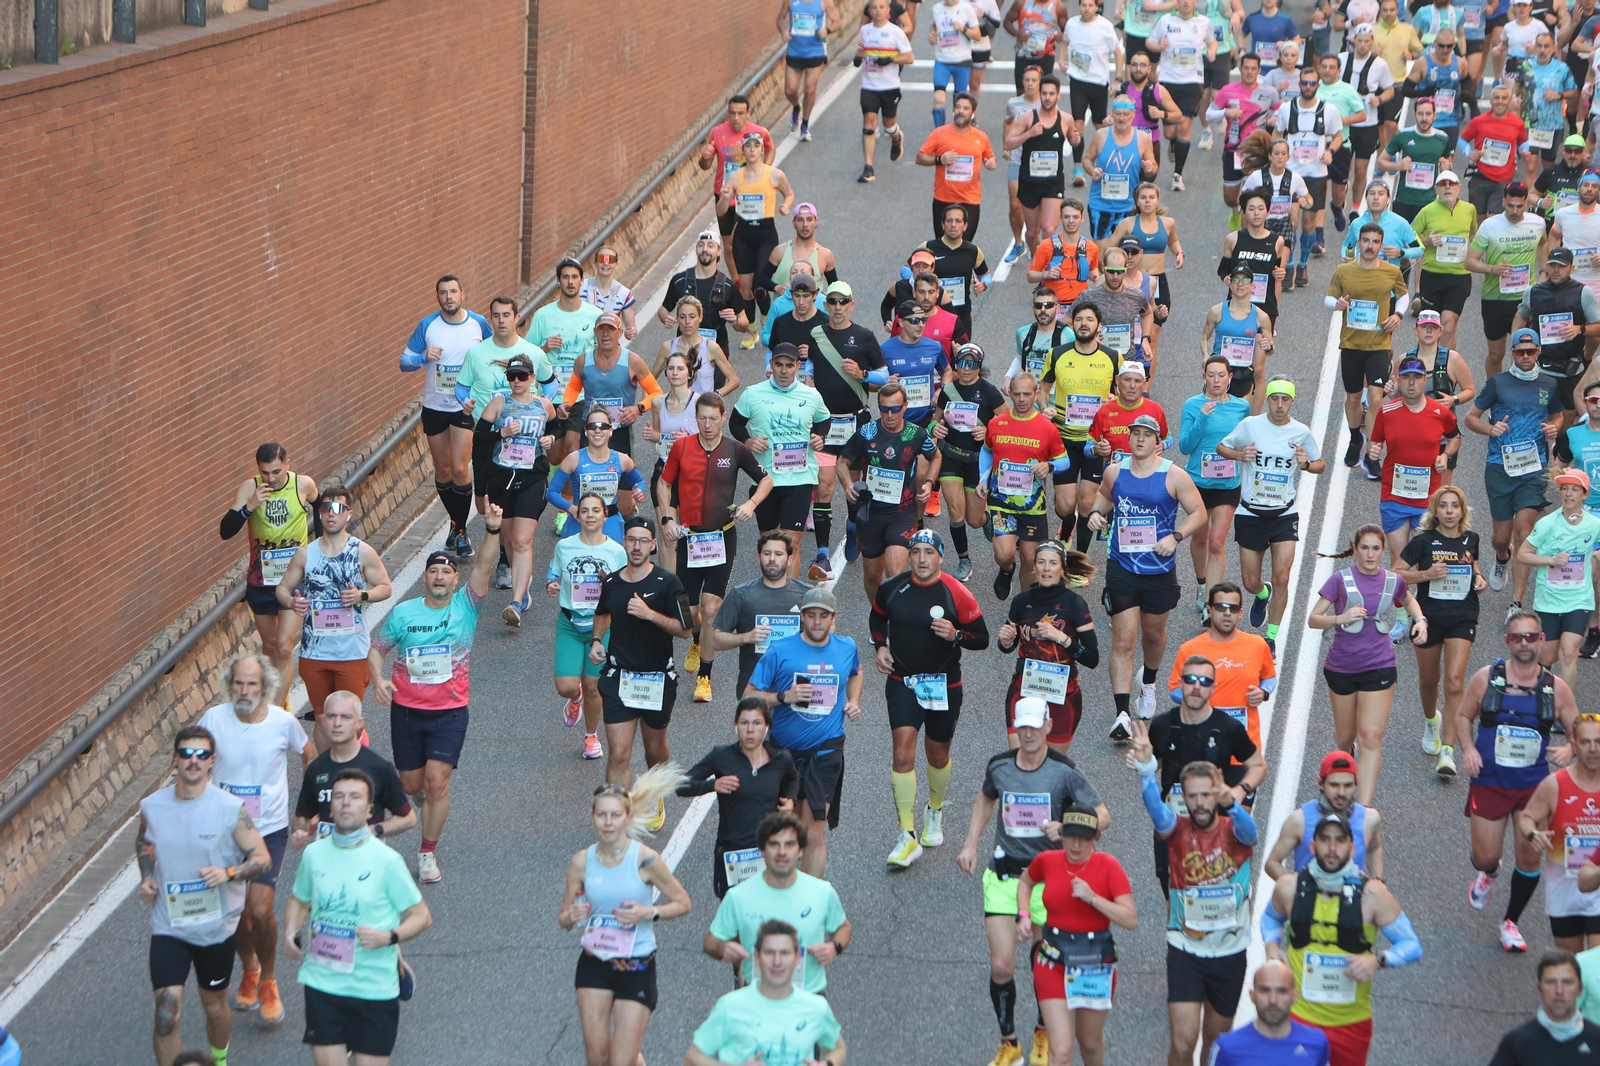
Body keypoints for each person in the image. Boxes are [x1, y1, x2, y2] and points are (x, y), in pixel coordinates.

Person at [956, 698, 1109, 1066]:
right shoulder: (1000, 765)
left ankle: (1043, 1032)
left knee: (1045, 964)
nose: (1028, 734)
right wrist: (970, 844)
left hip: (1048, 880)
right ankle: (1009, 1043)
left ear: (1047, 725)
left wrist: (1068, 826)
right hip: (1004, 875)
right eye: (1022, 726)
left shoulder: (1064, 771)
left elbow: (1102, 815)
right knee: (1001, 965)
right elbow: (985, 800)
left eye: (1034, 726)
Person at [368, 506, 502, 884]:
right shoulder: (403, 613)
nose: (439, 576)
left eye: (446, 572)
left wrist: (493, 530)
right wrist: (378, 679)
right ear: (424, 578)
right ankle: (425, 802)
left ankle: (427, 852)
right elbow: (376, 649)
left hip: (450, 712)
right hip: (407, 711)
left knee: (437, 783)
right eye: (433, 571)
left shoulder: (466, 605)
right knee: (414, 786)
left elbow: (484, 566)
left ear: (456, 579)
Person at [1127, 719, 1259, 1066]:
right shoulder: (1176, 828)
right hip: (1185, 949)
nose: (1200, 803)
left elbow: (1251, 832)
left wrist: (1232, 803)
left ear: (1216, 795)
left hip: (1230, 950)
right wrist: (1146, 770)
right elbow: (1155, 808)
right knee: (1183, 1040)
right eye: (1193, 796)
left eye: (1206, 795)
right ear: (1183, 798)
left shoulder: (1235, 829)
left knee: (1214, 1044)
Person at [280, 767, 432, 1066]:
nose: (346, 803)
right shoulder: (314, 854)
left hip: (373, 987)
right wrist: (290, 931)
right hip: (323, 981)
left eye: (355, 797)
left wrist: (389, 937)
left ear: (370, 809)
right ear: (331, 807)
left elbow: (422, 916)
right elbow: (299, 899)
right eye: (339, 797)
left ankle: (398, 964)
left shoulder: (387, 860)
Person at [139, 726, 270, 1066]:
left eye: (202, 754)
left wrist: (228, 873)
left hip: (216, 928)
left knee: (214, 1006)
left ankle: (219, 1059)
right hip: (169, 926)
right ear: (175, 759)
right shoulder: (153, 806)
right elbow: (144, 841)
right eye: (186, 753)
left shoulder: (231, 809)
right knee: (166, 1013)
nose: (193, 760)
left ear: (212, 761)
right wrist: (148, 876)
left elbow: (262, 858)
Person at [196, 654, 313, 1027]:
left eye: (252, 684)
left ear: (266, 688)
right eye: (238, 683)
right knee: (236, 913)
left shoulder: (282, 722)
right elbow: (193, 761)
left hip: (269, 829)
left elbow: (309, 755)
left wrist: (306, 808)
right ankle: (249, 967)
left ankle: (268, 981)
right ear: (229, 685)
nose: (244, 691)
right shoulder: (213, 719)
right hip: (225, 830)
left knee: (259, 909)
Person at [1457, 610, 1580, 952]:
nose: (1524, 643)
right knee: (1485, 856)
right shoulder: (1486, 678)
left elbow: (1580, 731)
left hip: (1534, 789)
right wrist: (1467, 749)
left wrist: (1569, 749)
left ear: (1542, 640)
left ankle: (1510, 922)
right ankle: (1489, 872)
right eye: (1516, 637)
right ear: (1506, 641)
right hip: (1489, 780)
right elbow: (1463, 716)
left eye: (1530, 637)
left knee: (1529, 859)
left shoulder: (1557, 689)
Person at [1260, 811, 1425, 1066]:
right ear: (1313, 846)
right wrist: (1272, 946)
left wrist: (1378, 960)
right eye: (1325, 839)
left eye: (1340, 840)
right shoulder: (1289, 887)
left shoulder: (1373, 894)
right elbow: (1271, 918)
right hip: (1297, 1018)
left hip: (1351, 1023)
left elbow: (1412, 945)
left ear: (1352, 848)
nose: (1332, 848)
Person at [556, 768, 692, 1066]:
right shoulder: (581, 862)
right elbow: (564, 919)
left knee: (622, 1061)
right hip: (594, 962)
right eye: (602, 815)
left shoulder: (645, 859)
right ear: (592, 817)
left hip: (636, 963)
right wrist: (572, 915)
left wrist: (648, 912)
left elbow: (682, 903)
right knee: (597, 1057)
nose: (608, 822)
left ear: (627, 818)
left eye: (615, 815)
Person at [872, 529, 989, 866]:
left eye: (929, 552)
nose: (922, 559)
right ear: (909, 556)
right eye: (916, 552)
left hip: (944, 685)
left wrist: (957, 634)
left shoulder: (956, 592)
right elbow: (877, 616)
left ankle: (934, 810)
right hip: (903, 681)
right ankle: (907, 835)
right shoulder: (892, 588)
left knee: (937, 756)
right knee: (902, 754)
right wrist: (880, 646)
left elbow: (981, 637)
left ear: (940, 557)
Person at [1087, 414, 1208, 740]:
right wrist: (1096, 512)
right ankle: (1122, 715)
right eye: (1135, 434)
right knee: (1123, 640)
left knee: (1154, 635)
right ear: (1129, 438)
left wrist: (1176, 537)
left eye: (1147, 435)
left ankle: (1149, 681)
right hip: (1122, 566)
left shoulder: (1174, 475)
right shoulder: (1115, 471)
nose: (1140, 439)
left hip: (1159, 568)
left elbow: (1199, 512)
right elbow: (1104, 495)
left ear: (1158, 442)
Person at [659, 392, 772, 703]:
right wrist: (667, 518)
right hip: (690, 540)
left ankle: (704, 677)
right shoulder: (682, 447)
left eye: (713, 418)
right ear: (695, 418)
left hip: (722, 539)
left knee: (711, 609)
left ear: (723, 418)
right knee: (689, 614)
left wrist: (751, 504)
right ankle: (697, 638)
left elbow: (766, 480)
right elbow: (664, 483)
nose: (707, 424)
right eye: (702, 418)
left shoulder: (736, 450)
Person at [775, 282, 890, 580]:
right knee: (824, 488)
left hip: (854, 422)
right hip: (825, 424)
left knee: (852, 488)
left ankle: (852, 528)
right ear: (826, 305)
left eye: (843, 302)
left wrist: (862, 374)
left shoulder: (865, 336)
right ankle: (823, 553)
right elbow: (810, 363)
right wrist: (808, 377)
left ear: (852, 304)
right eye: (833, 302)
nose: (838, 307)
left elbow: (885, 375)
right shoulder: (816, 334)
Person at [746, 587, 864, 876]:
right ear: (802, 617)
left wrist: (853, 701)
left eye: (823, 616)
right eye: (811, 615)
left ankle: (810, 899)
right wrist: (784, 696)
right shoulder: (780, 651)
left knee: (812, 835)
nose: (817, 622)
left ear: (833, 617)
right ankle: (781, 889)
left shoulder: (847, 647)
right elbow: (748, 696)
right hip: (783, 753)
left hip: (825, 750)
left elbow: (856, 672)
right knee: (786, 831)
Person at [1308, 525, 1427, 805]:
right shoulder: (1340, 580)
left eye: (1376, 548)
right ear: (1355, 548)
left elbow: (1409, 601)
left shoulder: (1393, 581)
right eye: (1365, 548)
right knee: (1345, 737)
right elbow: (1314, 619)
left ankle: (1362, 807)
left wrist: (1421, 621)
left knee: (1371, 737)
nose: (1370, 554)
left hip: (1379, 666)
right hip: (1341, 668)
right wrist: (1340, 618)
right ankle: (1345, 773)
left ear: (1384, 551)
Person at [1015, 803, 1136, 1066]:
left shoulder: (1108, 866)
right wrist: (1023, 914)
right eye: (1070, 836)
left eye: (1084, 838)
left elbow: (1130, 919)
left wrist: (1093, 898)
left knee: (1090, 1044)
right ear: (1062, 834)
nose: (1076, 844)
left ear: (1096, 837)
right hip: (1052, 962)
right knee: (1060, 1052)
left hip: (1095, 965)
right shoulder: (1047, 860)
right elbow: (1026, 881)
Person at [276, 485, 392, 749]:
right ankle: (326, 769)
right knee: (322, 719)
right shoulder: (306, 554)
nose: (331, 513)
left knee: (348, 719)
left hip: (352, 652)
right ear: (320, 513)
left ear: (348, 514)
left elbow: (385, 587)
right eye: (326, 508)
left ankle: (353, 767)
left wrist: (362, 595)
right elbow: (282, 588)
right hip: (315, 652)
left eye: (338, 508)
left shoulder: (362, 551)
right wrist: (291, 602)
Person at [1215, 379, 1323, 654]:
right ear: (1268, 401)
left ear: (1292, 402)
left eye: (1285, 400)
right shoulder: (1251, 425)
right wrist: (1240, 455)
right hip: (1250, 512)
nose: (1279, 405)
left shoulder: (1300, 432)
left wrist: (1306, 464)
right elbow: (1221, 447)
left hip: (1284, 514)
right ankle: (1263, 593)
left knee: (1282, 577)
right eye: (1274, 399)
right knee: (1250, 582)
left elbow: (1320, 464)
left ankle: (1271, 638)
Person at [1463, 329, 1567, 606]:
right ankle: (1502, 556)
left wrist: (1553, 428)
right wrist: (1490, 429)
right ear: (1512, 354)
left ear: (1538, 352)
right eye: (1520, 351)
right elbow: (1470, 418)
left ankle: (1516, 603)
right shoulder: (1497, 383)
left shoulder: (1549, 384)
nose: (1525, 356)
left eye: (1530, 351)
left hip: (1534, 468)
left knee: (1524, 531)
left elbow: (1557, 416)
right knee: (1500, 538)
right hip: (1500, 466)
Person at [456, 294, 552, 584]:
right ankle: (505, 550)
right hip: (488, 439)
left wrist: (542, 409)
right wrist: (466, 403)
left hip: (526, 447)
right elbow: (461, 387)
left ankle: (506, 562)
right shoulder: (476, 353)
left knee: (515, 515)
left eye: (506, 315)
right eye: (496, 315)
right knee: (485, 508)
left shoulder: (532, 352)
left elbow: (550, 384)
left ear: (516, 318)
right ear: (490, 319)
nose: (501, 320)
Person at [1392, 484, 1485, 777]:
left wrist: (1479, 578)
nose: (1449, 511)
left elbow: (1472, 563)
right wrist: (1426, 574)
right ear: (1435, 511)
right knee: (1429, 680)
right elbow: (1395, 574)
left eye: (1454, 506)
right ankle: (1432, 720)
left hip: (1462, 616)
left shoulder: (1471, 539)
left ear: (1462, 510)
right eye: (1443, 506)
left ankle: (1448, 750)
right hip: (1428, 617)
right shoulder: (1423, 541)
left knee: (1455, 682)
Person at [704, 810, 851, 996]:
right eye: (774, 844)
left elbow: (843, 927)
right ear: (762, 850)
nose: (782, 852)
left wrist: (834, 947)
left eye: (789, 844)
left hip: (808, 997)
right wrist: (722, 947)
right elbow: (711, 941)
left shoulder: (822, 892)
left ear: (800, 850)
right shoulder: (738, 895)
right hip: (757, 999)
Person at [399, 275, 491, 558]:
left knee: (461, 469)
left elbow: (495, 352)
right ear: (437, 297)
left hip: (465, 407)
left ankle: (460, 532)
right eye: (443, 292)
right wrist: (423, 357)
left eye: (453, 291)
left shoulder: (478, 323)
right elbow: (404, 362)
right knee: (443, 470)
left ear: (463, 294)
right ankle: (456, 524)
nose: (448, 296)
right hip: (435, 407)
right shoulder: (428, 325)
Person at [220, 443, 317, 709]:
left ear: (288, 464)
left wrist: (320, 550)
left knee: (285, 647)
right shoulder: (250, 488)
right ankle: (281, 698)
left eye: (276, 472)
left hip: (294, 580)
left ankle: (277, 711)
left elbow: (321, 507)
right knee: (271, 647)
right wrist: (249, 507)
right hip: (261, 581)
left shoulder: (302, 485)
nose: (271, 479)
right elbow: (225, 531)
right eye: (265, 473)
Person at [729, 340, 836, 580]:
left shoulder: (811, 395)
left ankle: (790, 595)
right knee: (769, 545)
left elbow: (824, 419)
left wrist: (820, 436)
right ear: (771, 364)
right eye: (779, 365)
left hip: (799, 478)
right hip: (765, 479)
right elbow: (735, 422)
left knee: (791, 542)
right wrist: (747, 441)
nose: (784, 371)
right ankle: (772, 588)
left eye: (789, 365)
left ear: (798, 366)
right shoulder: (753, 393)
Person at [679, 700, 800, 899]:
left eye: (757, 723)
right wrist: (712, 785)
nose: (750, 730)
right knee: (733, 912)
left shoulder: (781, 759)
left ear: (767, 726)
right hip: (732, 851)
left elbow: (793, 778)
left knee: (768, 911)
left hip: (768, 851)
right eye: (744, 723)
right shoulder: (722, 756)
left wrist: (790, 799)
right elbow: (680, 786)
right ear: (736, 724)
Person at [687, 920, 846, 1066]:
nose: (777, 961)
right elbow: (692, 1058)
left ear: (798, 957)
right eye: (769, 952)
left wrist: (826, 1064)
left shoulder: (816, 1007)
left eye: (784, 953)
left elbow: (838, 1048)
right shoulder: (729, 1006)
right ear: (757, 957)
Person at [478, 353, 557, 627]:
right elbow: (478, 438)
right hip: (502, 479)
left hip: (532, 478)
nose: (516, 381)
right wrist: (501, 434)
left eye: (522, 376)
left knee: (522, 541)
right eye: (511, 376)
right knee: (510, 540)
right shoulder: (499, 403)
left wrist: (551, 438)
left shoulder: (543, 405)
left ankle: (517, 601)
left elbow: (556, 426)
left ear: (532, 378)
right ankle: (521, 583)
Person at [549, 493, 629, 761]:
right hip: (570, 624)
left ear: (605, 515)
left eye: (596, 510)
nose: (590, 515)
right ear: (578, 515)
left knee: (594, 685)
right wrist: (552, 584)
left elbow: (625, 586)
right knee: (565, 686)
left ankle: (591, 737)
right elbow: (553, 573)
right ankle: (575, 698)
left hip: (603, 625)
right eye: (585, 510)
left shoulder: (616, 551)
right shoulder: (564, 546)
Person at [839, 382, 937, 599]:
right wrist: (847, 485)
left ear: (905, 406)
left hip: (902, 513)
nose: (889, 414)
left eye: (895, 408)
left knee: (894, 573)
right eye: (884, 409)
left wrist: (929, 482)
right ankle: (879, 615)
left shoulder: (916, 434)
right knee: (873, 575)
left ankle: (895, 617)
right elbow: (843, 462)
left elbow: (936, 456)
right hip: (870, 512)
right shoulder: (867, 433)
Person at [997, 545, 1100, 752]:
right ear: (1034, 566)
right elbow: (1009, 643)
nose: (1046, 568)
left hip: (1062, 694)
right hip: (1024, 690)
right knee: (1019, 760)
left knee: (1051, 767)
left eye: (1053, 563)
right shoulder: (1021, 601)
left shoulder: (1075, 603)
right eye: (1041, 562)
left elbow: (1092, 658)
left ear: (1062, 568)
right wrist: (1005, 641)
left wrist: (1062, 638)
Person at [1327, 223, 1409, 471]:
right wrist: (1337, 304)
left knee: (1375, 399)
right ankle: (1355, 439)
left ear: (1381, 245)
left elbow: (1403, 295)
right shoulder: (1343, 270)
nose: (1370, 246)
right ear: (1359, 243)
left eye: (1375, 242)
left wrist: (1398, 315)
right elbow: (1329, 297)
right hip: (1351, 344)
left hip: (1378, 345)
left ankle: (1373, 454)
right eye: (1366, 241)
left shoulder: (1391, 271)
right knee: (1353, 398)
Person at [981, 372, 1071, 597]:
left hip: (1033, 505)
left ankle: (1025, 605)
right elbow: (987, 450)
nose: (1022, 399)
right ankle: (1006, 569)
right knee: (1003, 555)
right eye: (1017, 394)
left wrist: (1049, 466)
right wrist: (983, 478)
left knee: (1030, 560)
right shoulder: (996, 423)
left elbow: (1065, 461)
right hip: (1001, 501)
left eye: (1027, 394)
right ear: (1009, 394)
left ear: (1036, 394)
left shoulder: (1046, 428)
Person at [1040, 309, 1120, 553]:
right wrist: (1044, 407)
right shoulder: (1057, 354)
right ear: (1072, 324)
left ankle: (1079, 558)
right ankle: (1067, 523)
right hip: (1063, 439)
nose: (1084, 324)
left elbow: (1125, 393)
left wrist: (1114, 400)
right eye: (1078, 320)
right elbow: (1043, 387)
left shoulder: (1113, 357)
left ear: (1099, 325)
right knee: (1064, 506)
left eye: (1089, 320)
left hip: (1095, 442)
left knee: (1086, 501)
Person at [291, 692, 417, 847]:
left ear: (359, 723)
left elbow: (408, 818)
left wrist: (374, 830)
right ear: (323, 722)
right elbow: (302, 817)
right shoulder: (316, 768)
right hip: (329, 854)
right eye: (331, 716)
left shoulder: (379, 768)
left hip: (367, 855)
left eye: (345, 717)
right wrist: (300, 832)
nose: (337, 723)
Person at [1518, 714, 1600, 952]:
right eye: (1585, 742)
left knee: (1596, 966)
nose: (1593, 749)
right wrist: (1533, 835)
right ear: (1573, 745)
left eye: (1598, 742)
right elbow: (1526, 817)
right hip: (1564, 893)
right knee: (1571, 965)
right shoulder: (1555, 784)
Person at [1516, 468, 1600, 691]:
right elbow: (1523, 555)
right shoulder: (1547, 524)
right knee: (1547, 657)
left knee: (1569, 652)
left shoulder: (1594, 524)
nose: (1569, 494)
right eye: (1565, 489)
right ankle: (1541, 695)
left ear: (1585, 494)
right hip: (1549, 599)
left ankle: (1563, 706)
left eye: (1575, 489)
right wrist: (1550, 560)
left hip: (1579, 598)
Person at [1168, 582, 1277, 753]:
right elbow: (1175, 688)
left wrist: (1264, 692)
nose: (1227, 613)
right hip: (1202, 747)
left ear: (1240, 613)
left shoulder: (1257, 645)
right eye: (1221, 607)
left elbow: (1269, 676)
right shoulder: (1190, 649)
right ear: (1209, 610)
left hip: (1244, 749)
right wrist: (1198, 702)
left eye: (1233, 608)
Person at [1367, 355, 1461, 548]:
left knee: (1425, 558)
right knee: (1400, 559)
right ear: (1398, 380)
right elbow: (1375, 441)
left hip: (1427, 499)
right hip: (1394, 496)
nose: (1411, 382)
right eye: (1406, 377)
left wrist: (1446, 455)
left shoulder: (1440, 412)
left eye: (1417, 377)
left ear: (1425, 380)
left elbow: (1455, 437)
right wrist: (1373, 451)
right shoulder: (1387, 412)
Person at [933, 341, 1008, 581]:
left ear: (979, 367)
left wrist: (988, 431)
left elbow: (1008, 423)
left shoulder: (989, 391)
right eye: (962, 363)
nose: (966, 369)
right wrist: (935, 429)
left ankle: (985, 519)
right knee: (956, 512)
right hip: (951, 457)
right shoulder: (948, 390)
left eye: (972, 364)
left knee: (973, 520)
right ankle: (964, 560)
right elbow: (934, 420)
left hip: (978, 461)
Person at [1180, 361, 1251, 606]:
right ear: (1204, 377)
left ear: (1230, 377)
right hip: (1197, 484)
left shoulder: (1241, 407)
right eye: (1211, 375)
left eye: (1221, 375)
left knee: (1216, 543)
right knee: (1200, 539)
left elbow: (1245, 439)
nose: (1217, 380)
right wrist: (1201, 418)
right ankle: (1202, 583)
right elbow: (1185, 447)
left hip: (1227, 485)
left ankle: (1211, 602)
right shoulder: (1192, 405)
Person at [713, 533, 813, 697]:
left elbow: (827, 632)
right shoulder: (741, 595)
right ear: (759, 558)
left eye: (778, 554)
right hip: (754, 691)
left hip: (795, 689)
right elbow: (716, 641)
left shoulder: (807, 595)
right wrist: (746, 637)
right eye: (767, 553)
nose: (772, 559)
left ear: (789, 559)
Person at [1264, 750, 1386, 881]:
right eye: (1334, 785)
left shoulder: (1370, 819)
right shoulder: (1299, 820)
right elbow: (1272, 863)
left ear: (1356, 782)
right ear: (1321, 783)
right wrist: (1296, 887)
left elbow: (1374, 849)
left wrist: (1378, 880)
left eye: (1348, 785)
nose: (1341, 793)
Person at [530, 259, 605, 470]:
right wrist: (544, 348)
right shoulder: (542, 315)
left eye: (574, 277)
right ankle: (565, 486)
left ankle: (570, 492)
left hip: (581, 394)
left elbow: (606, 350)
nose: (570, 282)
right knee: (555, 456)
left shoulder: (594, 315)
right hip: (551, 395)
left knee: (573, 448)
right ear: (558, 281)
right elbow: (526, 354)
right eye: (565, 277)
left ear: (581, 281)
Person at [1466, 182, 1545, 378]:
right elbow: (1469, 262)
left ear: (1526, 203)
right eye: (1510, 205)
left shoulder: (1537, 223)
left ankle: (1516, 390)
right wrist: (1493, 269)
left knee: (1522, 352)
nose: (1514, 211)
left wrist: (1543, 271)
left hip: (1525, 298)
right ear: (1503, 202)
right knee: (1496, 355)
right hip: (1495, 298)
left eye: (1519, 206)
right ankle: (1494, 390)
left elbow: (1544, 243)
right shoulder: (1489, 226)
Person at [1275, 68, 1345, 287]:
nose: (1307, 87)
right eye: (1304, 83)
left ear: (1317, 85)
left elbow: (1338, 136)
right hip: (1291, 173)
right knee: (1291, 223)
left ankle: (1303, 263)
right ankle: (1288, 266)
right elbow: (1277, 134)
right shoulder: (1286, 109)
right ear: (1299, 84)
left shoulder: (1329, 110)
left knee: (1308, 225)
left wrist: (1330, 151)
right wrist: (1278, 154)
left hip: (1316, 175)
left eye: (1311, 83)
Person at [559, 313, 665, 456]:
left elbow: (656, 392)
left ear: (620, 332)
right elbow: (573, 387)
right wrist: (567, 403)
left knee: (622, 469)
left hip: (620, 430)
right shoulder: (583, 361)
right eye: (601, 329)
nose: (605, 334)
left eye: (611, 329)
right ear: (595, 332)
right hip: (592, 429)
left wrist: (638, 408)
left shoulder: (632, 361)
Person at [1515, 246, 1599, 419]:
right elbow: (1520, 316)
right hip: (1540, 367)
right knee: (1540, 418)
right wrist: (1516, 345)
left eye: (1561, 266)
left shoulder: (1583, 293)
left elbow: (1598, 327)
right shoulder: (1533, 292)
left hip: (1569, 369)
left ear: (1571, 268)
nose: (1555, 270)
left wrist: (1579, 329)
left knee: (1567, 419)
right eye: (1552, 265)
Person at [546, 405, 646, 546]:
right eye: (592, 426)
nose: (597, 430)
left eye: (603, 426)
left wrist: (639, 491)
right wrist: (571, 508)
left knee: (611, 560)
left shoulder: (622, 460)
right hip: (580, 522)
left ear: (610, 431)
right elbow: (551, 492)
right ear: (586, 431)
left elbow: (639, 481)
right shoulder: (573, 459)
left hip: (610, 523)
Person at [1107, 184, 1182, 366]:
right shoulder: (1128, 224)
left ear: (1157, 200)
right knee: (1130, 333)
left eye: (1151, 197)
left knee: (1151, 338)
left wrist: (1179, 253)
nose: (1147, 201)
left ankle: (1146, 380)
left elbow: (1173, 241)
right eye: (1143, 197)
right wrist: (1115, 268)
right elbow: (1109, 248)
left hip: (1158, 282)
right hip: (1133, 282)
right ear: (1137, 201)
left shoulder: (1168, 223)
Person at [1553, 380, 1600, 658]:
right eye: (1593, 400)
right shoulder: (1573, 434)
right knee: (1590, 574)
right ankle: (1593, 630)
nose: (1598, 405)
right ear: (1585, 403)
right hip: (1586, 514)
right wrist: (1567, 492)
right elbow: (1558, 465)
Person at [1148, 0, 1216, 192]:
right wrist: (1159, 46)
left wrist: (1212, 51)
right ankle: (1173, 143)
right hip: (1168, 81)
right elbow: (1149, 42)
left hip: (1192, 81)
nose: (1186, 2)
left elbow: (1212, 41)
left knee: (1184, 127)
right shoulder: (1165, 20)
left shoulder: (1204, 22)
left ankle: (1177, 175)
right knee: (1170, 133)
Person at [1003, 74, 1079, 247]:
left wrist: (1075, 141)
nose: (1047, 98)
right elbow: (1008, 143)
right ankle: (1034, 255)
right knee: (1032, 233)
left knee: (1048, 230)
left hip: (1053, 182)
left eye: (1051, 94)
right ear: (1040, 94)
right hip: (1029, 182)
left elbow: (1074, 140)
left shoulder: (1066, 119)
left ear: (1058, 95)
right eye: (1044, 93)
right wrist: (1028, 134)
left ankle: (1045, 262)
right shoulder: (1027, 118)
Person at [1207, 961, 1332, 1065]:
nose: (1273, 1000)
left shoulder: (1317, 1043)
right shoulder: (1226, 1047)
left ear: (1294, 996)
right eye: (1265, 990)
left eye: (1281, 991)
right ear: (1252, 995)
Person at [1206, 54, 1281, 225]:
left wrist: (1275, 118)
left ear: (1259, 70)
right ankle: (1236, 210)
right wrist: (1226, 112)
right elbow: (1209, 114)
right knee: (1230, 198)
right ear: (1240, 69)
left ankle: (1248, 233)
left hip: (1257, 151)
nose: (1249, 72)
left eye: (1253, 68)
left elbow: (1280, 111)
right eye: (1246, 68)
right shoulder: (1227, 90)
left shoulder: (1269, 92)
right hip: (1233, 150)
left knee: (1251, 196)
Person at [1489, 950, 1600, 1064]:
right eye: (1551, 982)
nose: (1559, 990)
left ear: (1580, 989)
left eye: (1567, 982)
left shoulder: (1597, 1040)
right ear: (1539, 988)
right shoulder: (1516, 1043)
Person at [917, 91, 999, 240]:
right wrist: (939, 160)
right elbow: (920, 157)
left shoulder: (981, 137)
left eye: (965, 108)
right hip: (943, 198)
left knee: (964, 245)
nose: (961, 111)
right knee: (943, 245)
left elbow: (990, 157)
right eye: (958, 107)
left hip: (970, 200)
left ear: (973, 113)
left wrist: (991, 163)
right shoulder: (940, 133)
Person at [1409, 171, 1478, 345]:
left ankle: (1445, 363)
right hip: (1432, 276)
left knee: (1448, 326)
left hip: (1459, 276)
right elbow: (1410, 236)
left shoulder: (1469, 209)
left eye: (1451, 184)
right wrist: (1427, 241)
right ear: (1436, 189)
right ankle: (1424, 360)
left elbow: (1472, 232)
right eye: (1442, 184)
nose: (1447, 187)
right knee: (1430, 328)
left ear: (1459, 187)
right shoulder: (1427, 211)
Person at [701, 96, 776, 249]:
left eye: (740, 113)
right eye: (732, 113)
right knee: (729, 246)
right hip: (725, 193)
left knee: (747, 239)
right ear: (728, 113)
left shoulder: (759, 132)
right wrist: (704, 158)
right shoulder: (717, 132)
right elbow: (705, 165)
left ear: (748, 113)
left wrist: (765, 169)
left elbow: (770, 148)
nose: (736, 118)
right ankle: (735, 267)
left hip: (750, 193)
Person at [659, 231, 748, 359]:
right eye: (701, 245)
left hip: (716, 352)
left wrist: (734, 320)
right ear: (696, 249)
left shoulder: (728, 286)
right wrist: (666, 319)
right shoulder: (680, 281)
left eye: (710, 245)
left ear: (719, 251)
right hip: (685, 350)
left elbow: (744, 324)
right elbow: (663, 310)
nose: (705, 249)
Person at [1082, 96, 1158, 240]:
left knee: (1128, 250)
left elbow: (1153, 168)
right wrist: (1092, 170)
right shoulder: (1101, 135)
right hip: (1100, 205)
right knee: (1102, 252)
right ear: (1112, 113)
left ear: (1133, 114)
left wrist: (1149, 168)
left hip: (1129, 207)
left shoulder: (1143, 138)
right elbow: (1086, 159)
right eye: (1118, 114)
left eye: (1126, 114)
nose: (1121, 118)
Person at [856, 0, 914, 182]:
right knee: (869, 125)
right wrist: (857, 57)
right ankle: (868, 168)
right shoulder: (865, 30)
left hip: (889, 86)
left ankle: (896, 136)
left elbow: (909, 57)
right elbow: (861, 49)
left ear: (888, 10)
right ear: (870, 10)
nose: (878, 11)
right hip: (869, 85)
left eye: (881, 7)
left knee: (888, 126)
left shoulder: (896, 32)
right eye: (874, 8)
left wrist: (890, 60)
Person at [1071, 249, 1155, 376]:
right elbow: (1066, 323)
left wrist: (1145, 338)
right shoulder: (1088, 296)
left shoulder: (1136, 296)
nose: (1115, 276)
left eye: (1119, 271)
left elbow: (1147, 314)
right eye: (1110, 271)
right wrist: (1087, 339)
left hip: (1125, 366)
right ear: (1103, 268)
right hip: (1095, 365)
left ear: (1126, 269)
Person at [1202, 265, 1271, 415]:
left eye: (1245, 280)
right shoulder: (1216, 311)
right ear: (1230, 283)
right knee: (1215, 413)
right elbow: (1205, 337)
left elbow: (1270, 347)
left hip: (1243, 372)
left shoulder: (1261, 316)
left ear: (1252, 285)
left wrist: (1268, 347)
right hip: (1219, 370)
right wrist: (1206, 355)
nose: (1240, 284)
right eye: (1236, 280)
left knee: (1238, 415)